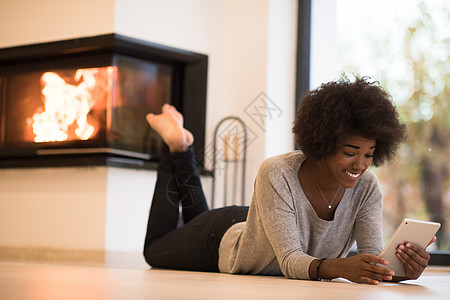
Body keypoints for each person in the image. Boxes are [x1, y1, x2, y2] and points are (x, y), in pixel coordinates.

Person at [143, 76, 435, 285]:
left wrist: (400, 270)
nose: (360, 164)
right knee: (154, 250)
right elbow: (289, 260)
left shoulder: (367, 187)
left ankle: (182, 149)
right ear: (323, 141)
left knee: (197, 216)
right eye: (350, 152)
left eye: (369, 154)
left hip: (260, 223)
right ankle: (178, 147)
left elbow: (371, 259)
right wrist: (339, 267)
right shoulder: (277, 171)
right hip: (221, 240)